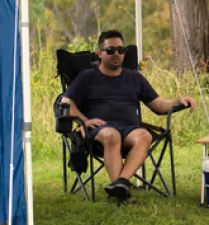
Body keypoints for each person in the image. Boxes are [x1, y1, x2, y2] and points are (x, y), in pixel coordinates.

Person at [62, 30, 195, 203]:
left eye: (120, 50)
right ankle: (121, 190)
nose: (116, 54)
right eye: (110, 50)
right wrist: (85, 121)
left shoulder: (135, 78)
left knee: (144, 135)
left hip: (130, 129)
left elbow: (160, 105)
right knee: (112, 135)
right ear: (100, 54)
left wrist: (179, 100)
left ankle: (121, 184)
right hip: (100, 131)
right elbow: (66, 102)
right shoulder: (87, 77)